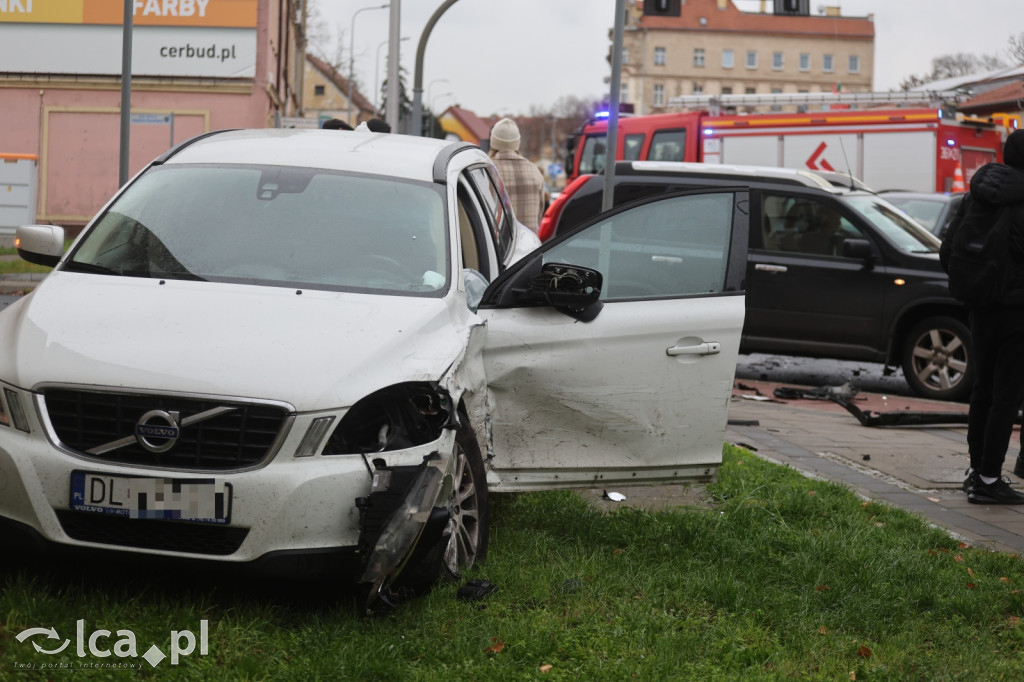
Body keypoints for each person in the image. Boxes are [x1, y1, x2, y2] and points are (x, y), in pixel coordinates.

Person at [941, 129, 1024, 504]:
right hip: (1017, 312)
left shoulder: (976, 195)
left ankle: (976, 471)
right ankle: (990, 480)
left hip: (980, 308)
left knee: (982, 390)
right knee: (1006, 396)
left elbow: (948, 249)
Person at [488, 117, 547, 232]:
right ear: (517, 143)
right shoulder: (534, 171)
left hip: (499, 248)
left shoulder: (488, 171)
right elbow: (539, 215)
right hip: (531, 246)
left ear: (493, 142)